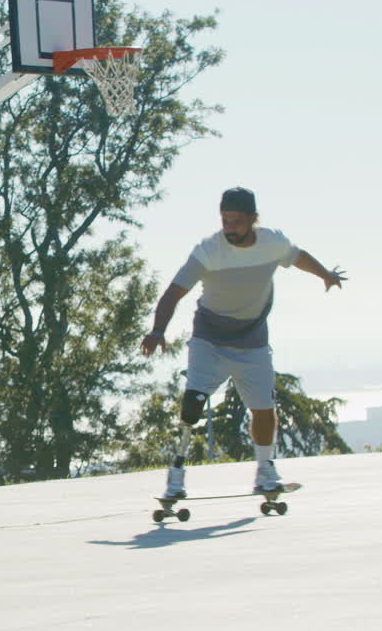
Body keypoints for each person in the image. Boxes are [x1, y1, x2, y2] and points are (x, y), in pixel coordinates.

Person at [140, 186, 346, 498]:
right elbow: (173, 293)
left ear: (253, 219)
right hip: (209, 337)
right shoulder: (208, 250)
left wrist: (325, 275)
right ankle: (176, 475)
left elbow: (297, 257)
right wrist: (157, 330)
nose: (230, 228)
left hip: (253, 340)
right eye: (225, 220)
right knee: (193, 402)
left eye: (236, 221)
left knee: (263, 408)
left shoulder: (272, 243)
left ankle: (265, 470)